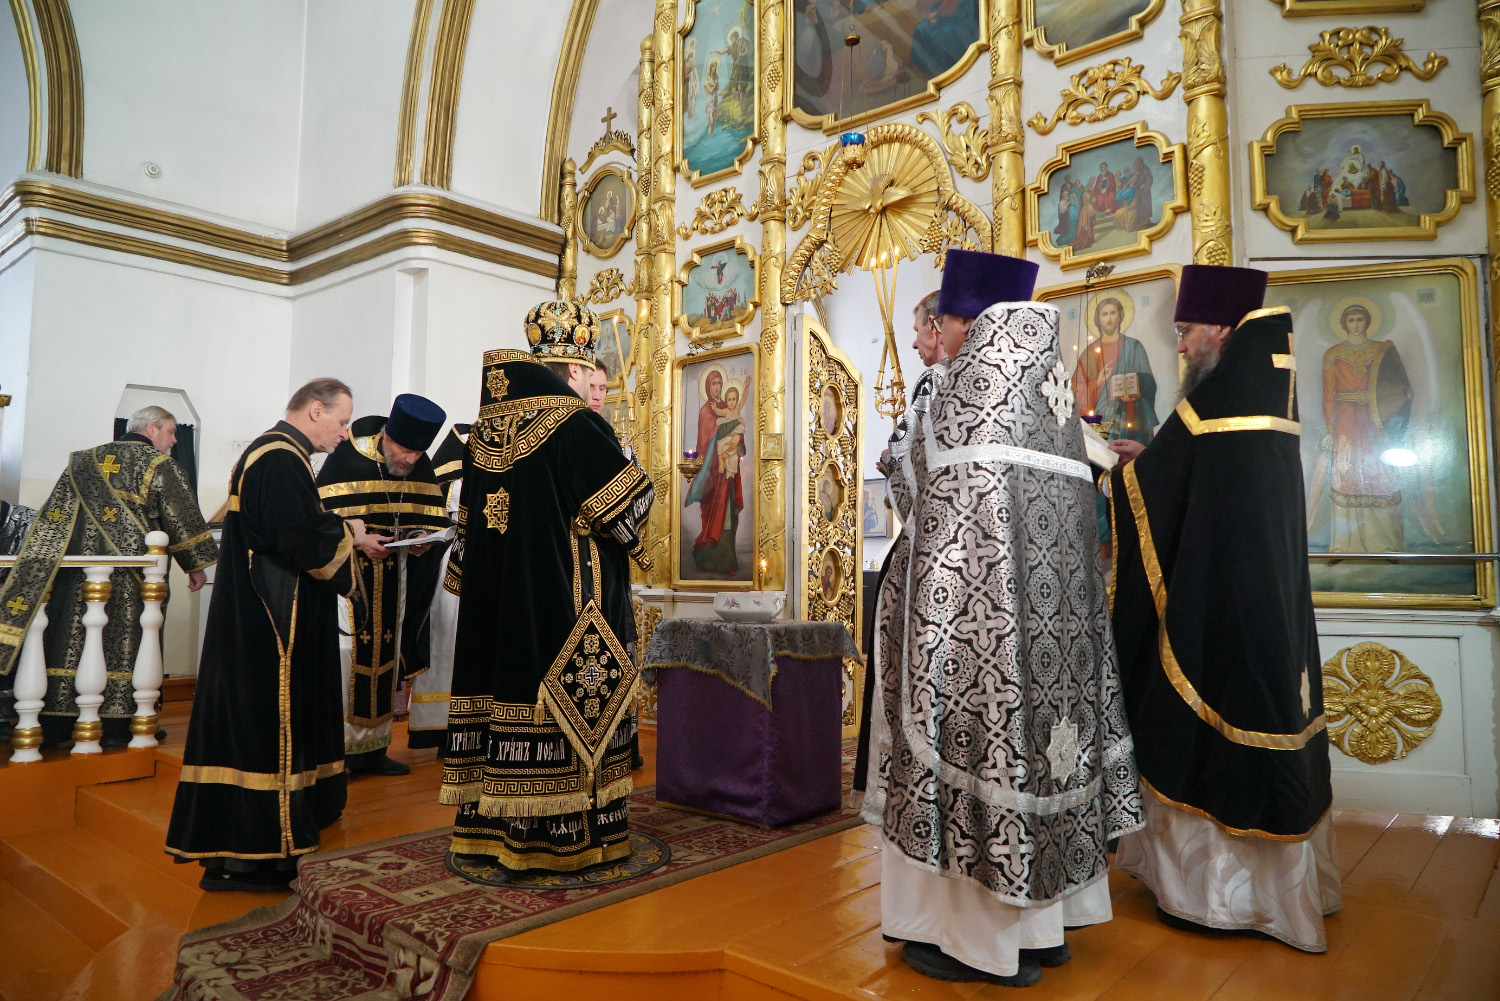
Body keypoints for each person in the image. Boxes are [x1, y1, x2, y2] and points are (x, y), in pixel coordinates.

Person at [877, 249, 1143, 987]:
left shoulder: (958, 388)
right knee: (1049, 755)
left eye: (943, 323)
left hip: (979, 642)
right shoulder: (1053, 397)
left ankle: (978, 940)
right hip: (1057, 643)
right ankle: (1047, 929)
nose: (940, 336)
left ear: (968, 322)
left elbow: (911, 484)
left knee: (986, 753)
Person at [1106, 265, 1341, 952]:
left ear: (1220, 327)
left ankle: (1220, 899)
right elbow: (1204, 481)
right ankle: (1284, 895)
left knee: (1212, 726)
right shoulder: (1263, 383)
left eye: (1186, 331)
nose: (1180, 346)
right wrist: (1150, 457)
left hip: (1222, 608)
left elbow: (1167, 487)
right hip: (1264, 600)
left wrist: (1124, 472)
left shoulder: (1219, 396)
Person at [441, 298, 654, 872]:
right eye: (590, 375)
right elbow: (624, 511)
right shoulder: (575, 423)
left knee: (501, 699)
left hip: (497, 606)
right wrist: (636, 473)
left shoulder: (485, 431)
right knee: (567, 708)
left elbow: (467, 536)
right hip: (566, 605)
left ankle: (491, 832)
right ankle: (565, 843)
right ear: (576, 369)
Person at [166, 379, 391, 890]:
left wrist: (336, 526)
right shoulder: (280, 458)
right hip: (270, 621)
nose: (344, 433)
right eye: (341, 422)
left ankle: (261, 842)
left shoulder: (278, 454)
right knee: (267, 728)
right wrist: (350, 532)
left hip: (264, 612)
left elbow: (290, 525)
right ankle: (256, 855)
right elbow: (301, 538)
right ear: (316, 410)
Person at [0, 405, 218, 749]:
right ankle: (119, 724)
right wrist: (195, 565)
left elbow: (53, 519)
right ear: (151, 428)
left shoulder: (82, 462)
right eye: (171, 432)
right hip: (130, 579)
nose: (175, 440)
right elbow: (181, 517)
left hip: (74, 576)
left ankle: (59, 723)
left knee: (69, 642)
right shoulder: (159, 465)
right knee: (125, 645)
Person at [317, 393, 450, 776]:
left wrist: (420, 537)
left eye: (418, 453)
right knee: (348, 659)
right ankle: (339, 752)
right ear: (388, 436)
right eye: (405, 450)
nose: (410, 460)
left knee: (387, 659)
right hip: (349, 578)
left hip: (396, 577)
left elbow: (427, 519)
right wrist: (359, 539)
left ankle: (374, 748)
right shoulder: (347, 457)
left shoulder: (419, 466)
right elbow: (320, 519)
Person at [853, 289, 946, 801]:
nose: (912, 344)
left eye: (916, 331)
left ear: (936, 326)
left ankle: (905, 784)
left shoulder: (934, 381)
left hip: (925, 549)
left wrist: (891, 467)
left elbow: (905, 466)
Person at [1318, 303, 1409, 553]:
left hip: (1376, 422)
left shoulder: (1381, 350)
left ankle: (1386, 545)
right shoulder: (1333, 354)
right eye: (1351, 320)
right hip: (1345, 422)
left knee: (1380, 476)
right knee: (1346, 477)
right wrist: (1330, 430)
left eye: (1360, 319)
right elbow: (1329, 395)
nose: (1356, 325)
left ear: (1367, 322)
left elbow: (1397, 390)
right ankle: (1344, 546)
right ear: (1344, 324)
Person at [407, 421, 471, 751]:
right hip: (451, 566)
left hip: (492, 564)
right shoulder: (448, 483)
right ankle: (441, 726)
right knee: (446, 639)